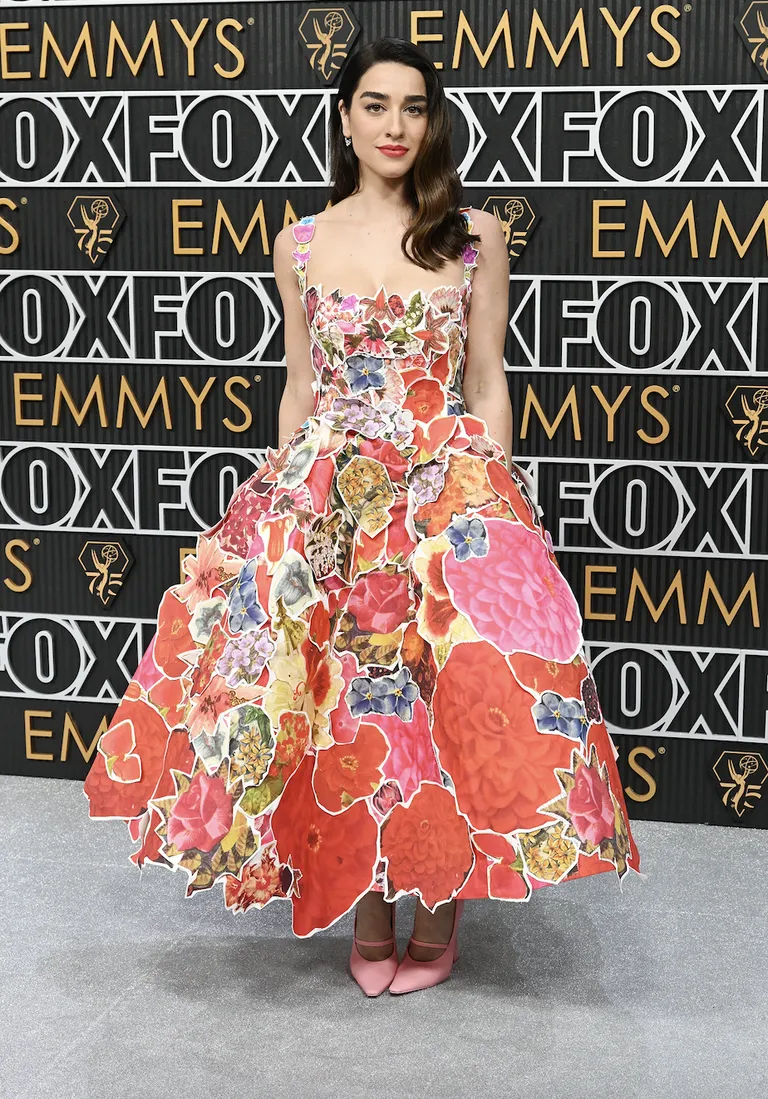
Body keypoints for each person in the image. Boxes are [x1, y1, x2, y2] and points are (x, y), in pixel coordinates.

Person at [83, 36, 640, 998]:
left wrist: (494, 490)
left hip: (444, 485)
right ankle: (369, 903)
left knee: (449, 692)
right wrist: (279, 485)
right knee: (341, 698)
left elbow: (488, 377)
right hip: (332, 490)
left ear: (432, 122)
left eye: (413, 107)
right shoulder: (300, 242)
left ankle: (439, 910)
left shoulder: (474, 234)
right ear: (346, 119)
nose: (394, 125)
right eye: (375, 105)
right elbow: (300, 382)